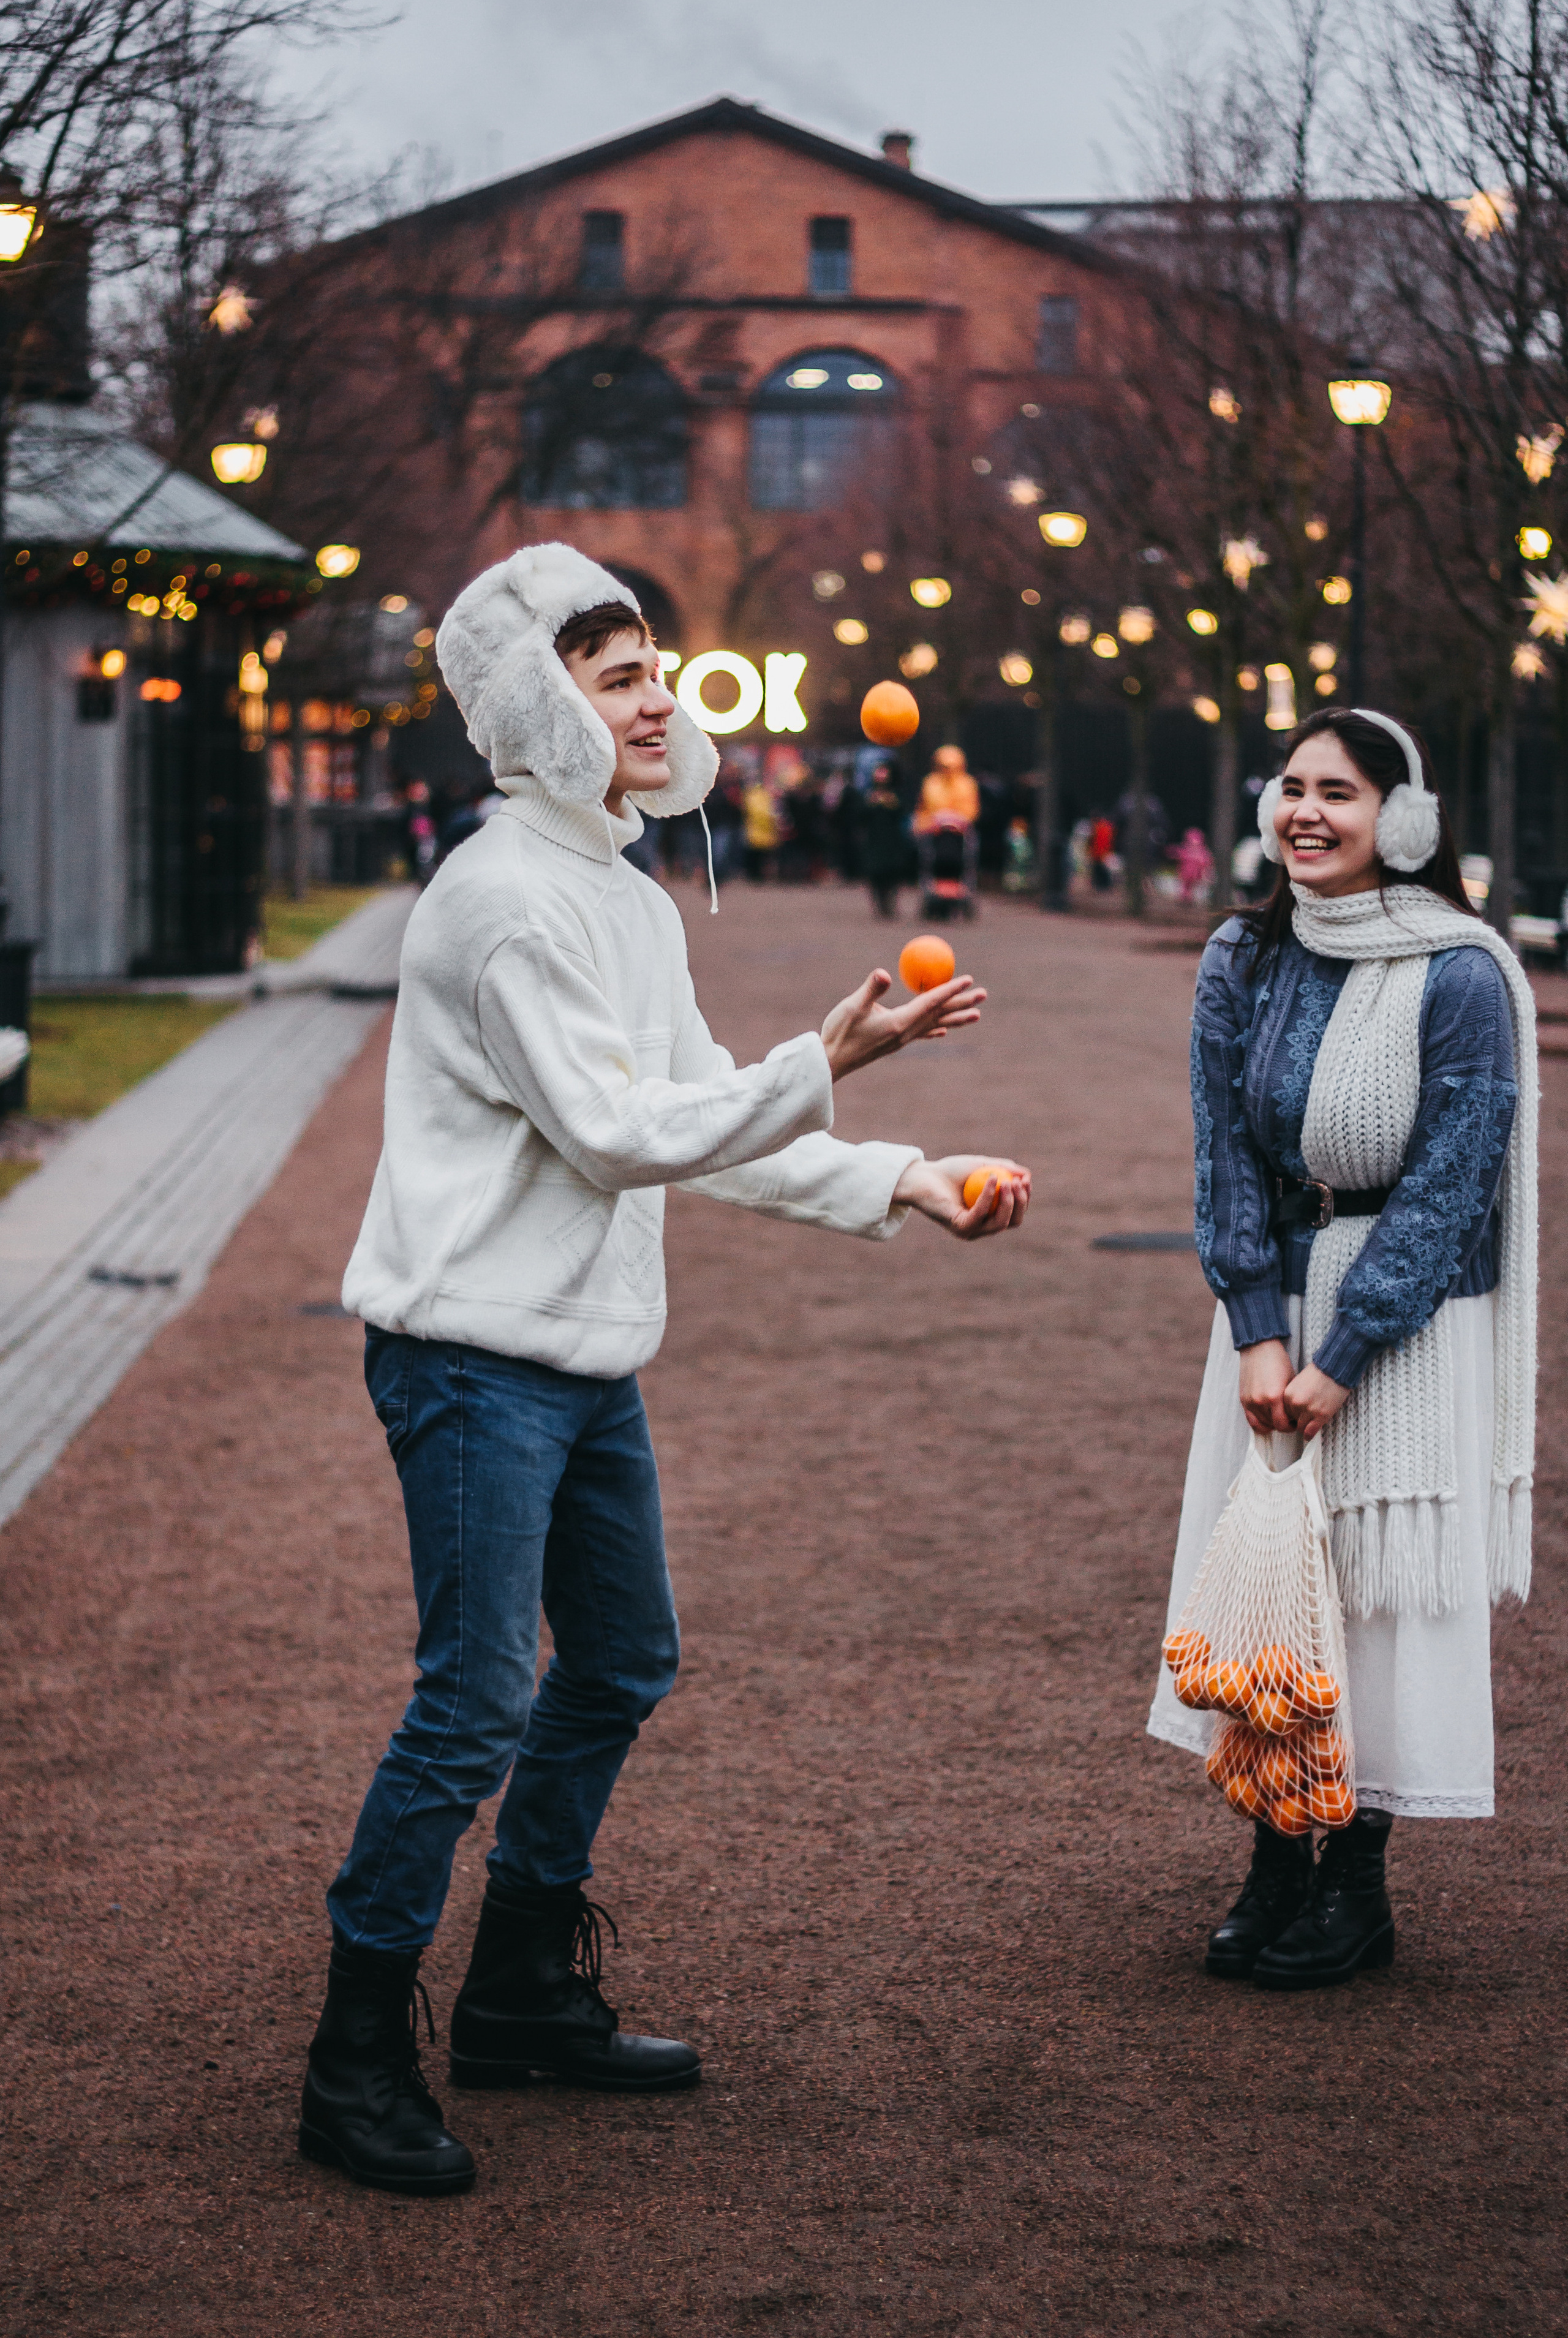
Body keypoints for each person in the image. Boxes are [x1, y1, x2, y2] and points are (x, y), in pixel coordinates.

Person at [301, 545, 1032, 2195]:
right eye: (610, 672)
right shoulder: (498, 900)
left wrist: (895, 1170)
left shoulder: (624, 891)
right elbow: (624, 1135)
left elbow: (698, 1112)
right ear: (526, 707)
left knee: (621, 1659)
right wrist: (826, 1058)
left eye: (653, 668)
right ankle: (351, 2058)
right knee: (475, 1697)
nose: (654, 697)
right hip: (472, 1360)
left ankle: (516, 1996)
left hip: (579, 1355)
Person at [1150, 706, 1537, 1991]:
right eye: (1291, 788)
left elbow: (1449, 1183)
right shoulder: (1240, 958)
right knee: (1266, 1585)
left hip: (1407, 1322)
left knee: (1365, 1592)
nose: (1305, 813)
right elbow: (1223, 1162)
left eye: (1341, 793)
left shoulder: (1463, 975)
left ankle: (1353, 1887)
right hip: (1269, 1318)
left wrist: (1341, 1354)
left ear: (1403, 822)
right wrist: (1258, 1333)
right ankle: (1270, 1859)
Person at [858, 758, 908, 918]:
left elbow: (902, 813)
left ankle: (890, 904)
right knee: (876, 873)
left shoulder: (897, 794)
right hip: (875, 841)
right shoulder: (868, 794)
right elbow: (861, 817)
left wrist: (891, 803)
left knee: (892, 873)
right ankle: (880, 905)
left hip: (892, 841)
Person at [914, 743, 980, 833]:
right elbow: (922, 811)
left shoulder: (968, 784)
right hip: (933, 829)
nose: (949, 771)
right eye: (945, 767)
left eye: (954, 766)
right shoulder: (930, 783)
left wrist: (954, 818)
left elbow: (972, 812)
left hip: (961, 829)